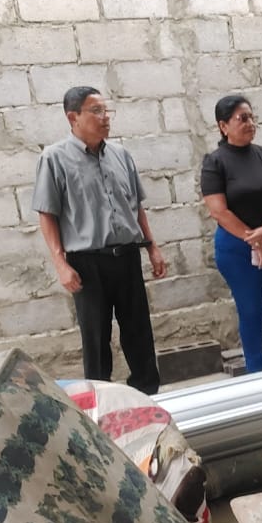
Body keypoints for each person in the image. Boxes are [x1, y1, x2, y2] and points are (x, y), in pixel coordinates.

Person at [33, 86, 166, 394]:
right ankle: (101, 402)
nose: (105, 117)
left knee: (139, 332)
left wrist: (152, 247)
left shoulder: (121, 155)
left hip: (128, 256)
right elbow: (47, 215)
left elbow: (136, 207)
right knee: (96, 338)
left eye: (107, 111)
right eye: (96, 111)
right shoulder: (54, 158)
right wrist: (60, 264)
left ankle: (147, 395)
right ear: (73, 117)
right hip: (87, 263)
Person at [200, 94, 262, 373]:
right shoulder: (214, 162)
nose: (250, 123)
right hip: (237, 248)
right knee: (252, 310)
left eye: (252, 117)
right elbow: (219, 211)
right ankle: (255, 374)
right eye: (242, 118)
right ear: (223, 126)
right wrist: (256, 241)